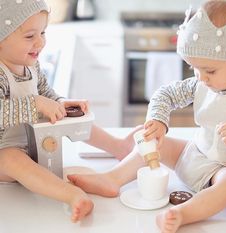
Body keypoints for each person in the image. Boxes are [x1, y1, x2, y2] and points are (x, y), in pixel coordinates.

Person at [67, 0, 226, 232]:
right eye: (194, 68)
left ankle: (183, 213)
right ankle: (112, 179)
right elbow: (165, 94)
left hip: (225, 172)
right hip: (195, 157)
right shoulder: (200, 84)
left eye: (210, 70)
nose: (201, 77)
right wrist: (158, 120)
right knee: (153, 141)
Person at [0, 0, 140, 223]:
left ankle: (118, 146)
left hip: (31, 139)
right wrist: (36, 103)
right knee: (11, 159)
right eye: (30, 36)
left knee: (74, 116)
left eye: (43, 32)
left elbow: (46, 92)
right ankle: (72, 195)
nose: (40, 42)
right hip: (4, 151)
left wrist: (60, 102)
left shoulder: (31, 65)